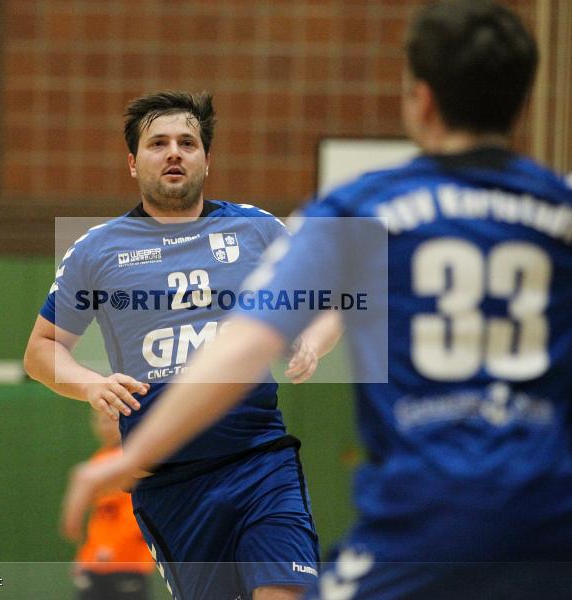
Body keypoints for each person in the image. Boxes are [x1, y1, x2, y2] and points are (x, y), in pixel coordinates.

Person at [59, 2, 572, 600]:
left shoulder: (362, 209)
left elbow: (246, 342)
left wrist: (128, 456)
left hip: (416, 521)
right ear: (523, 100)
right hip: (554, 529)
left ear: (421, 99)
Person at [25, 91, 341, 600]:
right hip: (170, 483)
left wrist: (312, 340)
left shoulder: (255, 228)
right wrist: (90, 385)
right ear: (133, 163)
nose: (174, 152)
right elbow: (41, 349)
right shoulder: (97, 250)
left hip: (260, 461)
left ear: (206, 160)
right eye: (158, 143)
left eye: (187, 143)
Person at [68, 410, 154, 600]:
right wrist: (85, 555)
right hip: (96, 562)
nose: (104, 427)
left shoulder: (135, 460)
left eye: (109, 421)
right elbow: (98, 518)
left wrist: (112, 549)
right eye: (100, 421)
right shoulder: (99, 458)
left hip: (127, 561)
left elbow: (135, 514)